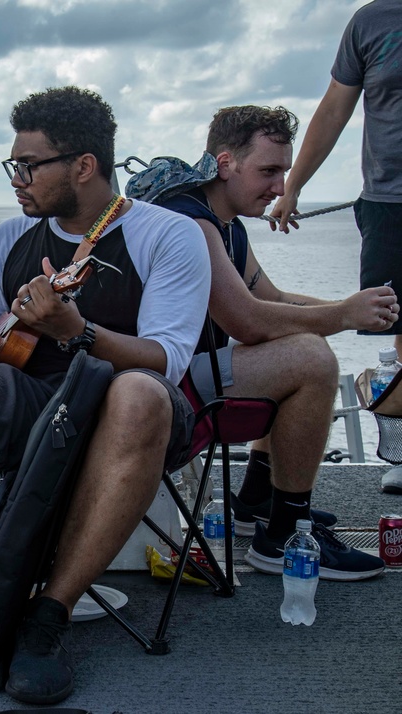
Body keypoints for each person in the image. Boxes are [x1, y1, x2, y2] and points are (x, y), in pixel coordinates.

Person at [0, 86, 209, 705]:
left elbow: (167, 359)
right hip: (31, 394)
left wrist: (77, 333)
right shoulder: (9, 237)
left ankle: (48, 615)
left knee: (139, 396)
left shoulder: (169, 235)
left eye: (29, 165)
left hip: (125, 412)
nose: (16, 178)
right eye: (13, 164)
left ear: (83, 166)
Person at [149, 105, 392, 580]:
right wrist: (342, 315)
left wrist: (355, 308)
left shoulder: (227, 226)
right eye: (269, 171)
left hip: (187, 377)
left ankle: (256, 499)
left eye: (283, 171)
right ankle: (285, 536)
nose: (281, 187)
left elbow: (273, 299)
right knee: (309, 360)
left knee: (302, 343)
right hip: (158, 389)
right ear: (224, 163)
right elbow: (249, 322)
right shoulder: (189, 223)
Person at [271, 1, 402, 493]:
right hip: (390, 202)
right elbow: (333, 109)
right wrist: (293, 187)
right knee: (398, 325)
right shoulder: (371, 21)